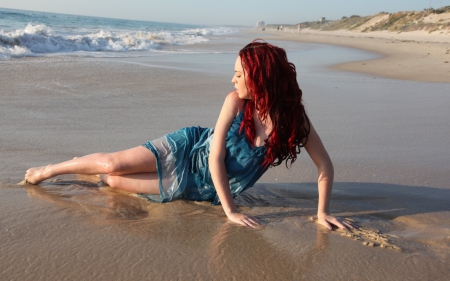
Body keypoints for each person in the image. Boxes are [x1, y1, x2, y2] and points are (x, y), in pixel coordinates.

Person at [24, 40, 352, 230]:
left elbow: (325, 166)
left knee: (112, 182)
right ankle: (52, 169)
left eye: (239, 73)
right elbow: (215, 157)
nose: (233, 78)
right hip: (188, 150)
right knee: (111, 165)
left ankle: (85, 166)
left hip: (199, 186)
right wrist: (231, 211)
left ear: (260, 78)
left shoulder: (294, 121)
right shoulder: (235, 102)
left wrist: (322, 213)